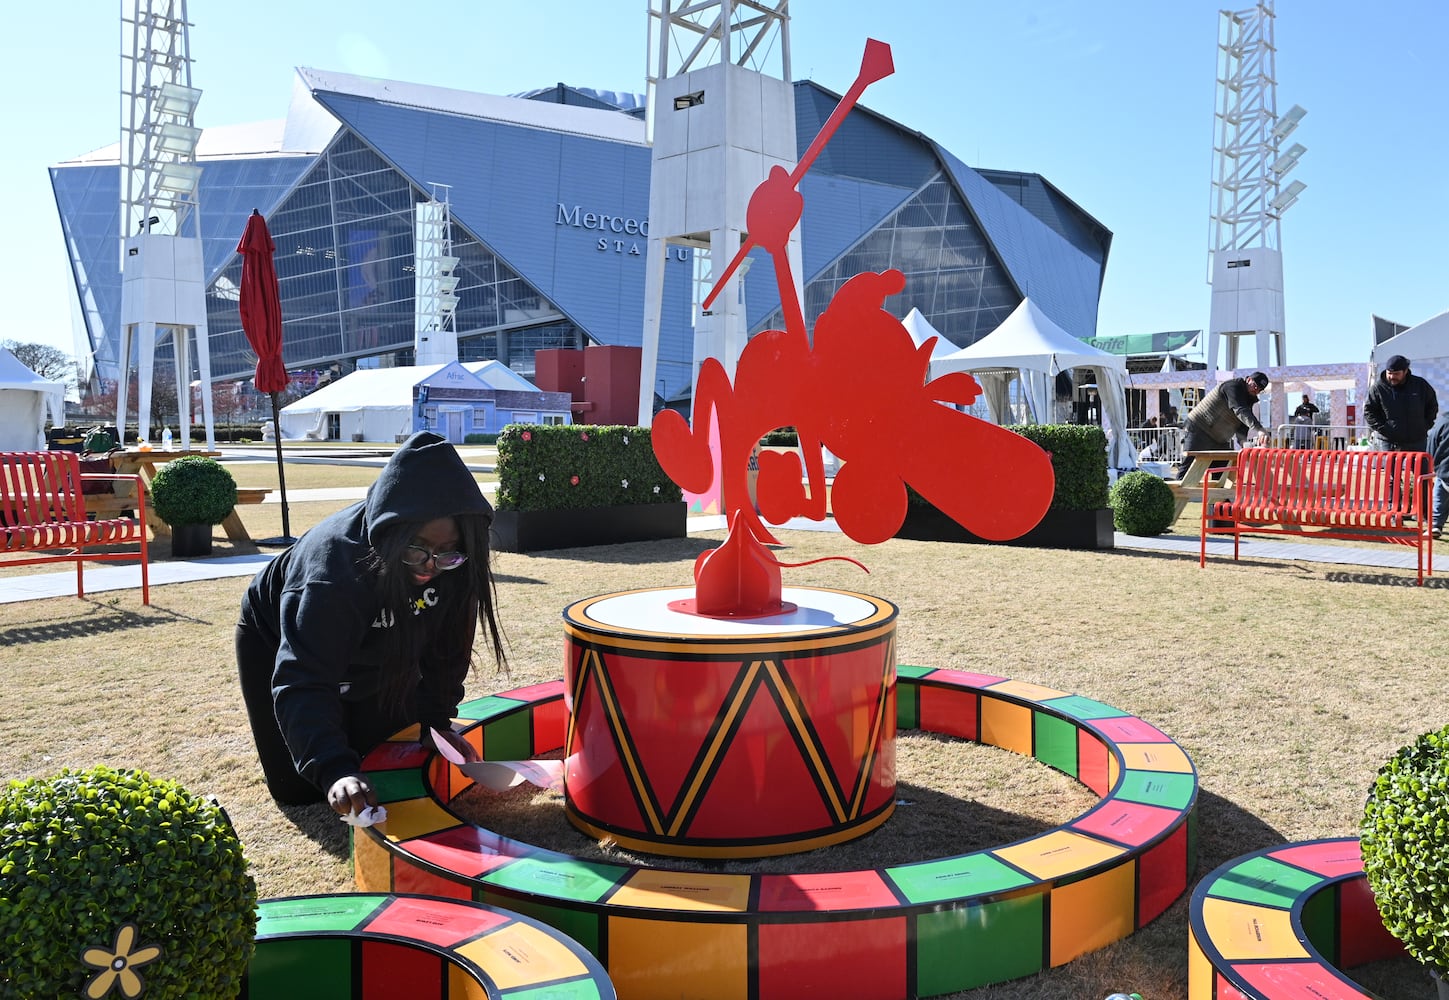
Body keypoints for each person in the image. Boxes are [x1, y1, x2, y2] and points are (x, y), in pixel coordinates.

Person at [236, 431, 507, 817]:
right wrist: (333, 770)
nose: (432, 567)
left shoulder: (457, 565)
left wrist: (435, 722)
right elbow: (304, 677)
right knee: (301, 788)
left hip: (382, 629)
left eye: (448, 553)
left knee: (383, 754)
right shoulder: (331, 570)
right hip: (277, 634)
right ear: (392, 537)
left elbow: (449, 648)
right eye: (418, 550)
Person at [1174, 371, 1271, 480]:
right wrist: (1260, 429)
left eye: (1260, 390)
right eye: (1255, 386)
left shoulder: (1249, 400)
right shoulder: (1232, 386)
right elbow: (1239, 410)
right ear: (1248, 379)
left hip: (1219, 438)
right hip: (1199, 428)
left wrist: (1243, 442)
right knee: (1188, 468)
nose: (1256, 390)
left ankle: (1219, 496)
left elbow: (1242, 424)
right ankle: (1175, 495)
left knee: (1222, 470)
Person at [1364, 354, 1438, 453]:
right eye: (1389, 373)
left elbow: (1432, 405)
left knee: (1421, 468)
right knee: (1391, 469)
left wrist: (1424, 426)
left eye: (1396, 374)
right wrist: (1383, 429)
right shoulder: (1378, 388)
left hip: (1417, 441)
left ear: (1405, 371)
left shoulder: (1420, 385)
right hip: (1389, 441)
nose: (1392, 377)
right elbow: (1369, 411)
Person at [1428, 410, 1449, 540]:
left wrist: (1433, 464)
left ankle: (1436, 524)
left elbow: (1432, 442)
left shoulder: (1443, 421)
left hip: (1445, 468)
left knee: (1440, 494)